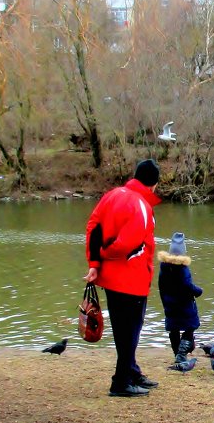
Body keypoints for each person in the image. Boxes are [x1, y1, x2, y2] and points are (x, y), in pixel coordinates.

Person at [84, 159, 163, 397]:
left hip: (111, 277)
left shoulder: (112, 195)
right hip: (132, 279)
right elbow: (129, 243)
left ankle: (131, 370)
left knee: (122, 328)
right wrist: (107, 254)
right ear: (154, 184)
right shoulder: (141, 205)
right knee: (130, 330)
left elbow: (93, 228)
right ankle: (121, 382)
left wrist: (95, 263)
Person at [158, 231, 203, 363]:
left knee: (174, 329)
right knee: (190, 327)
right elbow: (186, 285)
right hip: (184, 304)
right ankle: (181, 355)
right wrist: (198, 291)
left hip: (169, 303)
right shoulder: (182, 268)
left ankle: (177, 354)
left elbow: (161, 286)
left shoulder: (164, 266)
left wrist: (164, 301)